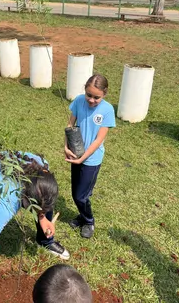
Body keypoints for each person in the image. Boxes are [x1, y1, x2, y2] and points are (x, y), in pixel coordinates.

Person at [0, 151, 69, 277]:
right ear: (23, 195)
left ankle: (45, 241)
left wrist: (43, 218)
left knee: (45, 203)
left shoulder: (42, 168)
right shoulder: (6, 202)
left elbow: (40, 202)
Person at [64, 74, 116, 238]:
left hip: (91, 160)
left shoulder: (107, 110)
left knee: (81, 195)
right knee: (76, 193)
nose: (91, 100)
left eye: (96, 97)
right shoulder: (79, 101)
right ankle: (82, 215)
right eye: (89, 95)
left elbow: (98, 140)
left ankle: (89, 221)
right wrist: (66, 146)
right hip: (76, 154)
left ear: (105, 93)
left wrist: (83, 158)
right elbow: (70, 125)